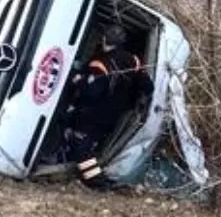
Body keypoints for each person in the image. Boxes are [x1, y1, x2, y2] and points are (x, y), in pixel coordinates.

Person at [55, 24, 154, 190]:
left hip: (94, 114)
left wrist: (78, 80)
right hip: (117, 114)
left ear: (104, 40)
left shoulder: (99, 64)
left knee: (82, 147)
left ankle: (97, 183)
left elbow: (91, 93)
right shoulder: (134, 61)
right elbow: (148, 87)